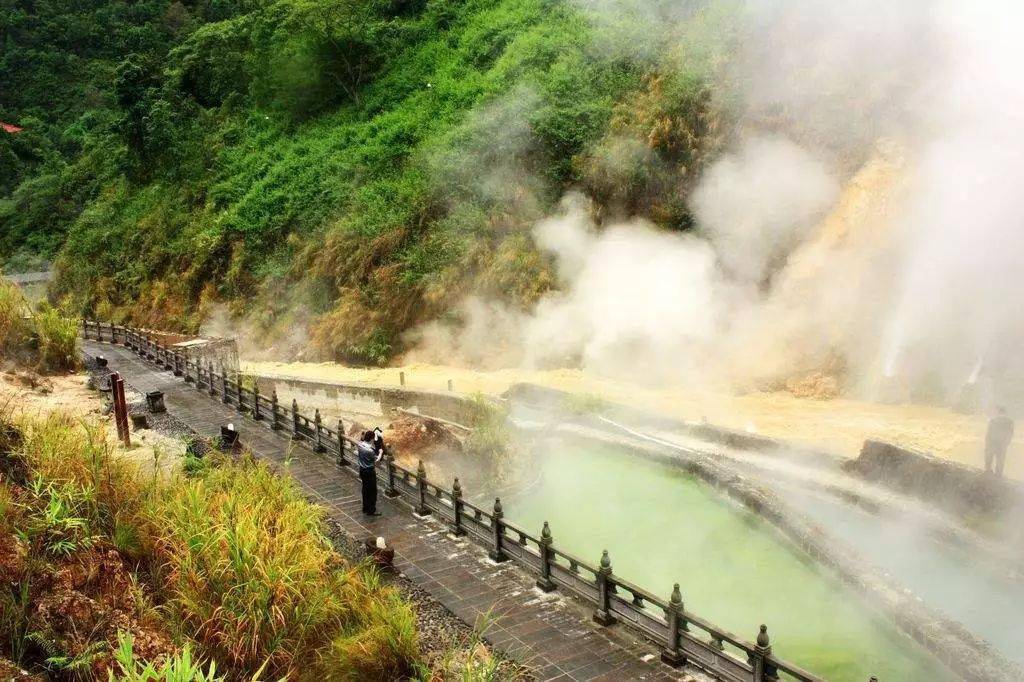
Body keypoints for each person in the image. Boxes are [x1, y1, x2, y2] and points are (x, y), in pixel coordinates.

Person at [358, 429, 384, 516]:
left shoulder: (360, 445)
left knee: (365, 490)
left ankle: (365, 508)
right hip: (369, 472)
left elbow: (362, 439)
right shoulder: (370, 450)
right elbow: (376, 460)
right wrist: (380, 453)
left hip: (362, 470)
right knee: (372, 491)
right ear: (372, 439)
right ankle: (371, 510)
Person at [984, 407, 1014, 477]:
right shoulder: (1010, 421)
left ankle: (988, 472)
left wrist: (987, 443)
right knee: (1000, 459)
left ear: (998, 412)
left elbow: (988, 433)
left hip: (992, 442)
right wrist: (1007, 442)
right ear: (1005, 412)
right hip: (1002, 443)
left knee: (989, 457)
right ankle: (998, 474)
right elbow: (1010, 433)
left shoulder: (993, 420)